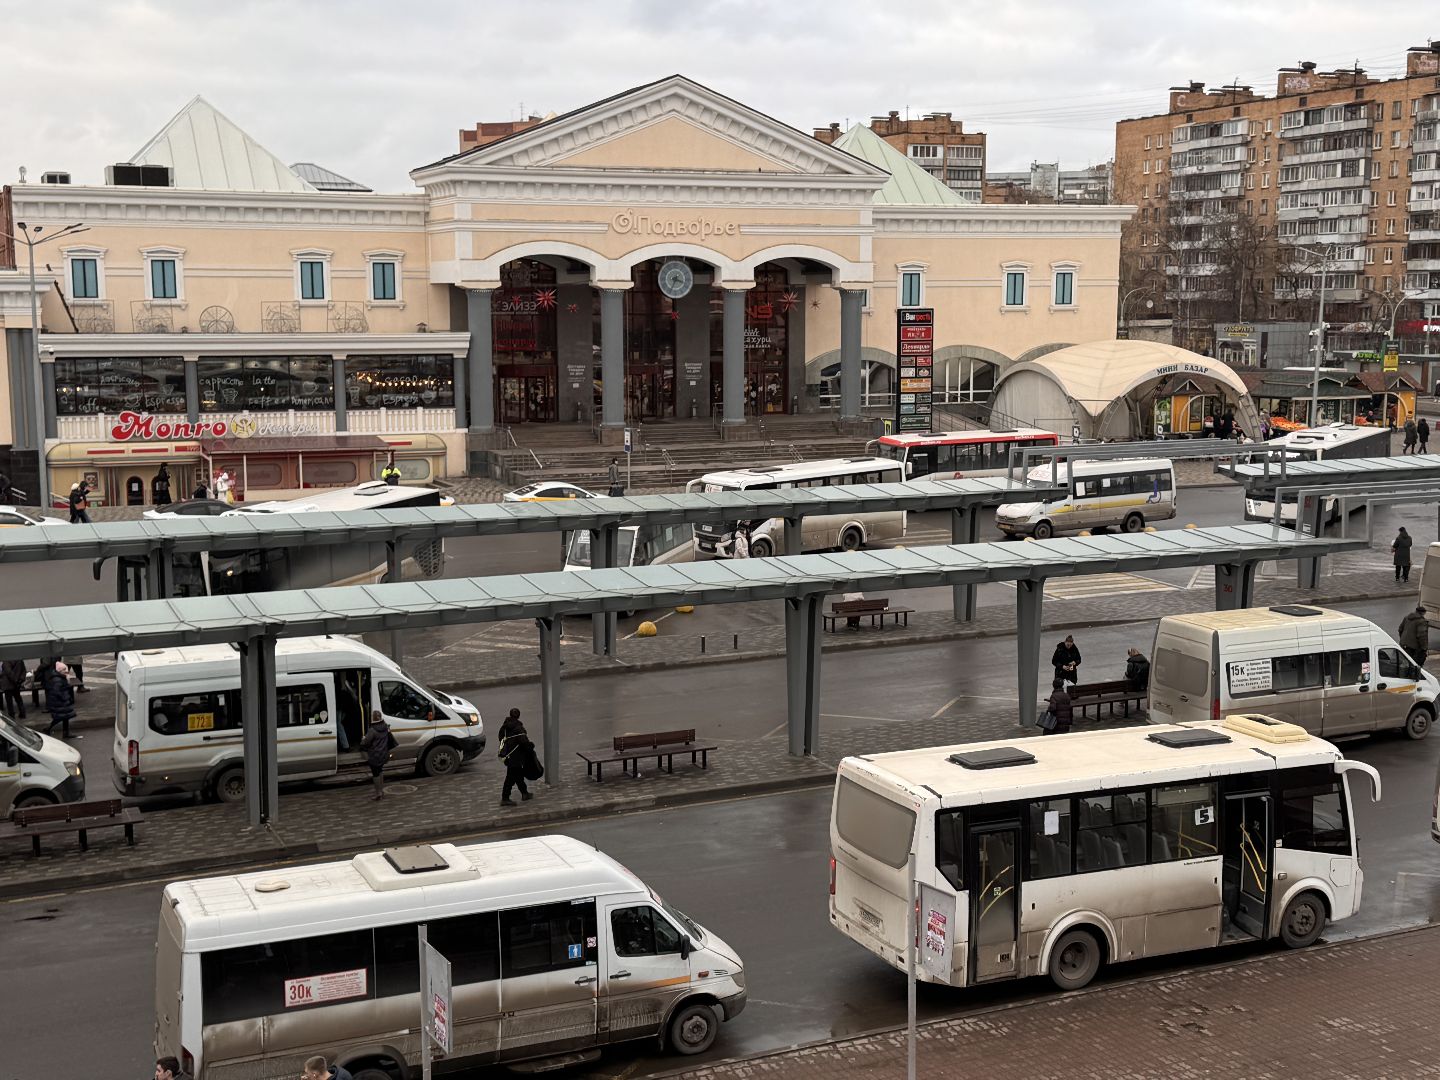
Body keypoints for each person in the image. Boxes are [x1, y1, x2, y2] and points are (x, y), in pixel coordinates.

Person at [497, 707, 534, 806]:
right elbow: (524, 742)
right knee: (510, 778)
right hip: (516, 757)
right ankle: (505, 798)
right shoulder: (518, 728)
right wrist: (531, 746)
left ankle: (524, 793)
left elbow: (500, 738)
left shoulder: (504, 727)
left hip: (508, 756)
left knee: (518, 775)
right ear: (518, 716)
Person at [359, 709, 396, 800]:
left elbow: (365, 743)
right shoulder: (386, 727)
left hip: (374, 755)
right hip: (383, 754)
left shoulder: (372, 730)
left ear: (373, 718)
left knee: (375, 773)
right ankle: (381, 790)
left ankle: (378, 793)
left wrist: (363, 738)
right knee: (380, 771)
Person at [44, 661, 76, 740]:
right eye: (64, 670)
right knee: (59, 717)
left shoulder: (60, 677)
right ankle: (48, 728)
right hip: (59, 702)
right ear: (59, 671)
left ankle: (65, 733)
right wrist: (64, 698)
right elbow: (57, 691)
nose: (66, 671)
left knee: (65, 717)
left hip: (61, 701)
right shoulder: (58, 680)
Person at [1399, 605, 1430, 671]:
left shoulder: (1407, 617)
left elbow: (1400, 629)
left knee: (1405, 664)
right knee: (1415, 666)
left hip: (1403, 645)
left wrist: (1403, 640)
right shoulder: (1421, 621)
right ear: (1423, 613)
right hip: (1413, 648)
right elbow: (1422, 636)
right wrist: (1424, 648)